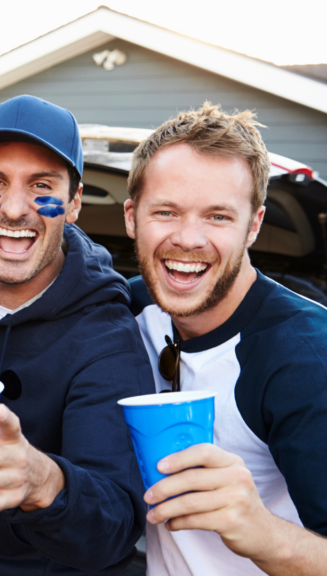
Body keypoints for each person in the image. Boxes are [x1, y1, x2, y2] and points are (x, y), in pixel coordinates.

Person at [0, 95, 152, 575]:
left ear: (73, 203)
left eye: (41, 186)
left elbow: (116, 522)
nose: (13, 208)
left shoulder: (105, 336)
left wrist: (46, 483)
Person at [124, 103, 327, 576]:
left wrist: (261, 531)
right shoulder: (126, 306)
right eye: (167, 211)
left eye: (217, 217)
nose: (188, 238)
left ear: (253, 226)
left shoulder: (305, 357)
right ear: (132, 217)